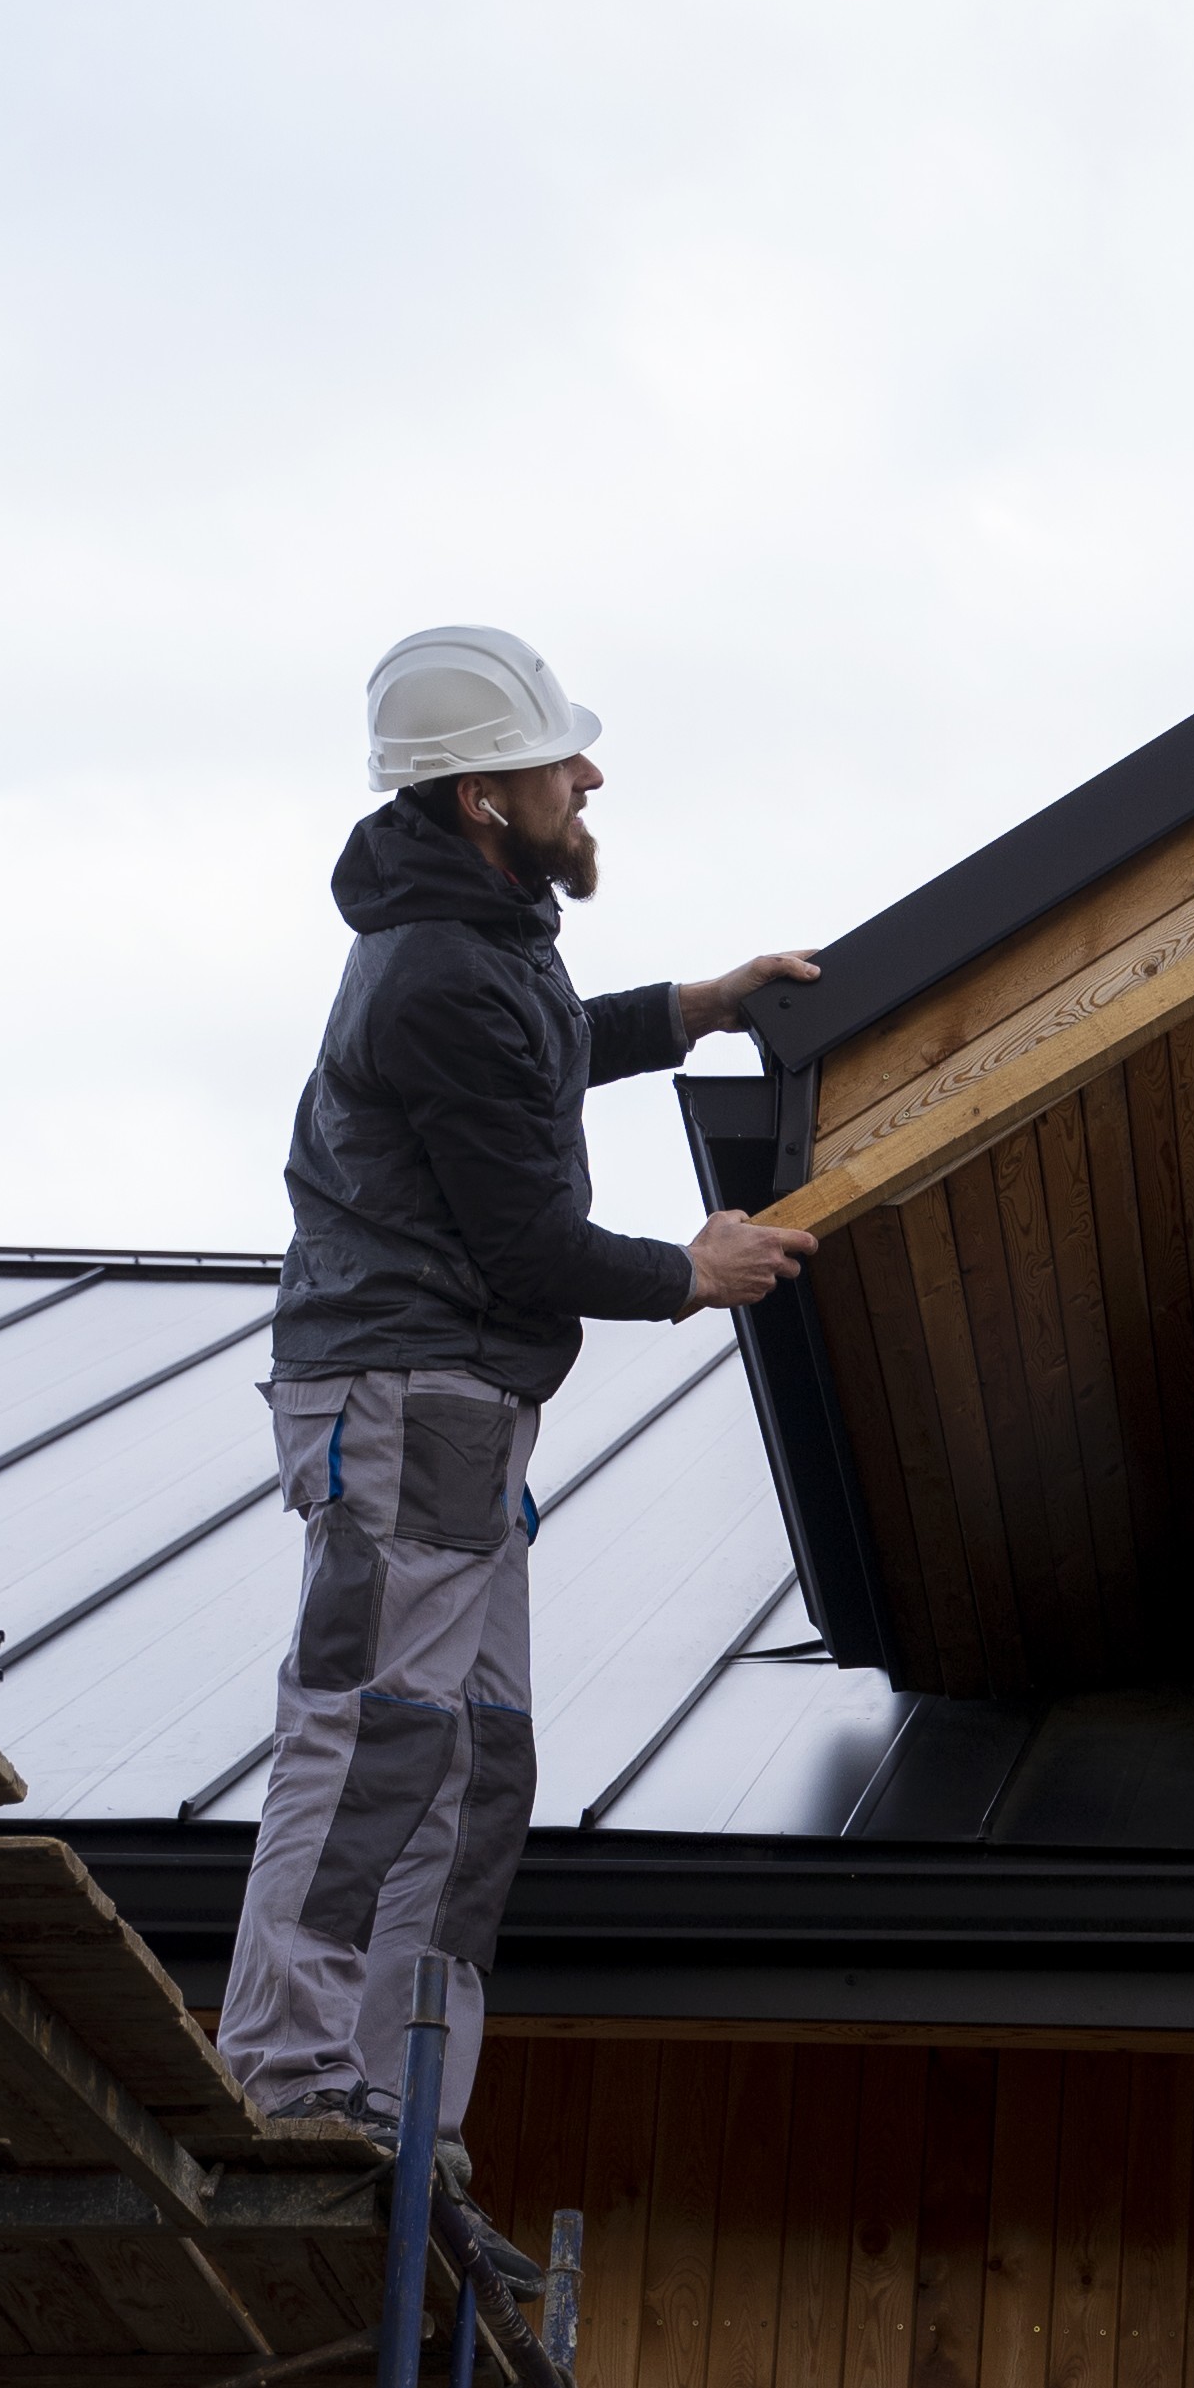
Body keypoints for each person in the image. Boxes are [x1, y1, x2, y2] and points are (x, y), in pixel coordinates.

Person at [218, 623, 820, 2149]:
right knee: (372, 1730)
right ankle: (293, 2076)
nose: (589, 776)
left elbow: (545, 1048)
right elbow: (526, 1240)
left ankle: (401, 2095)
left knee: (476, 1762)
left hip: (461, 1409)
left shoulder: (477, 942)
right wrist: (692, 1271)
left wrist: (696, 1005)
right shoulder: (432, 973)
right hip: (406, 1395)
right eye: (563, 761)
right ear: (484, 797)